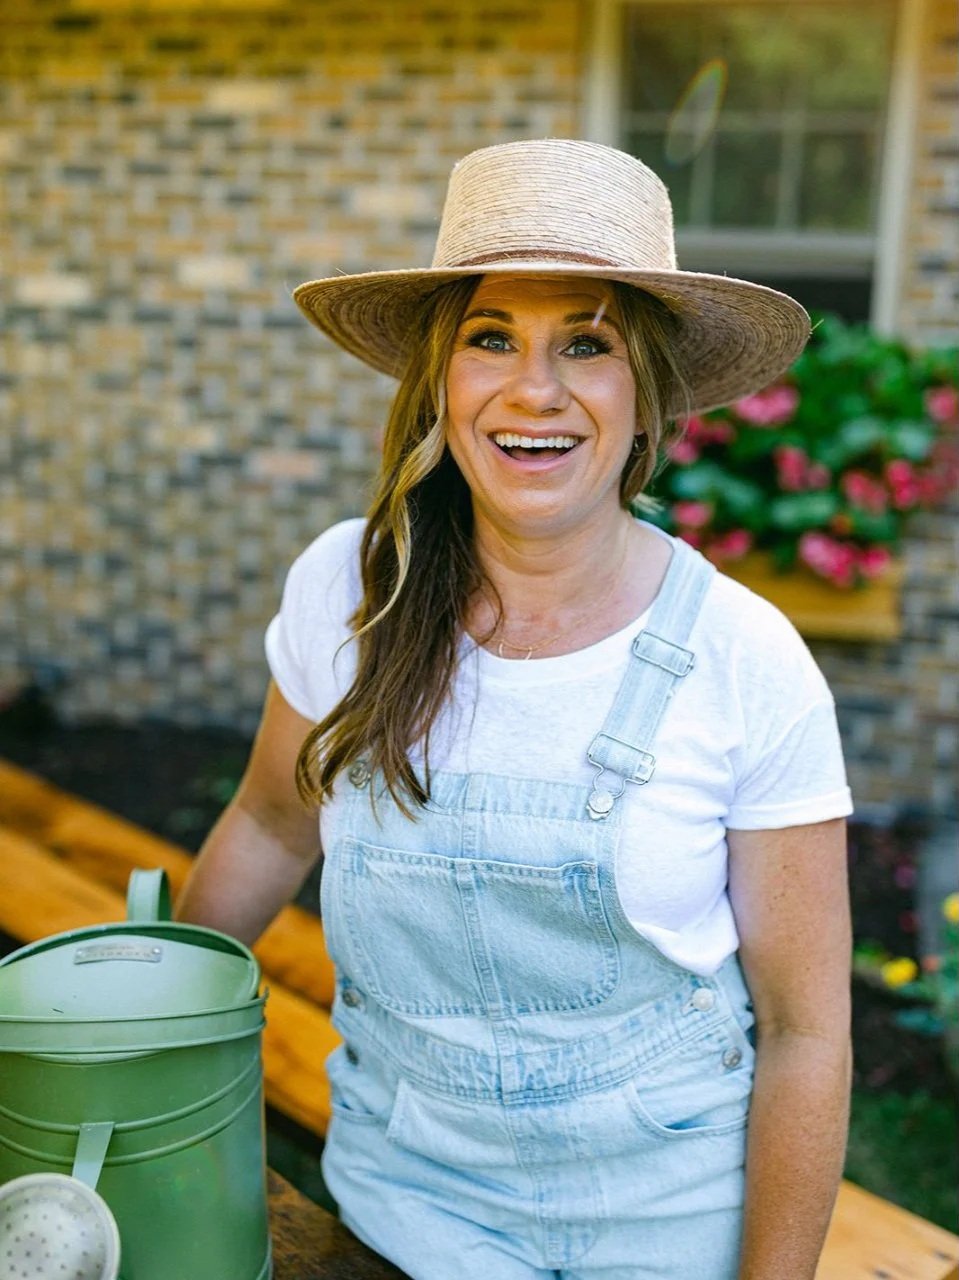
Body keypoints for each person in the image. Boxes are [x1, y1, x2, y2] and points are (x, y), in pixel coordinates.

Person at [176, 139, 853, 1280]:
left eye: (585, 344)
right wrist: (152, 1016)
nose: (533, 390)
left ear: (646, 400)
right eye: (490, 338)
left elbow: (804, 1031)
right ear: (439, 380)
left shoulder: (745, 659)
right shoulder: (352, 589)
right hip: (407, 1200)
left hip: (669, 1220)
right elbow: (268, 824)